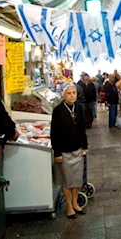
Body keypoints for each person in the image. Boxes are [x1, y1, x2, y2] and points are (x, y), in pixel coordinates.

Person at [50, 84, 89, 219]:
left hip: (77, 149)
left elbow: (82, 128)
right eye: (69, 93)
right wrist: (57, 153)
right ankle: (69, 206)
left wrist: (85, 146)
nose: (72, 95)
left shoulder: (78, 108)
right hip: (64, 151)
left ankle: (75, 202)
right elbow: (54, 133)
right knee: (67, 181)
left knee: (77, 178)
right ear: (63, 95)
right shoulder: (58, 111)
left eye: (74, 93)